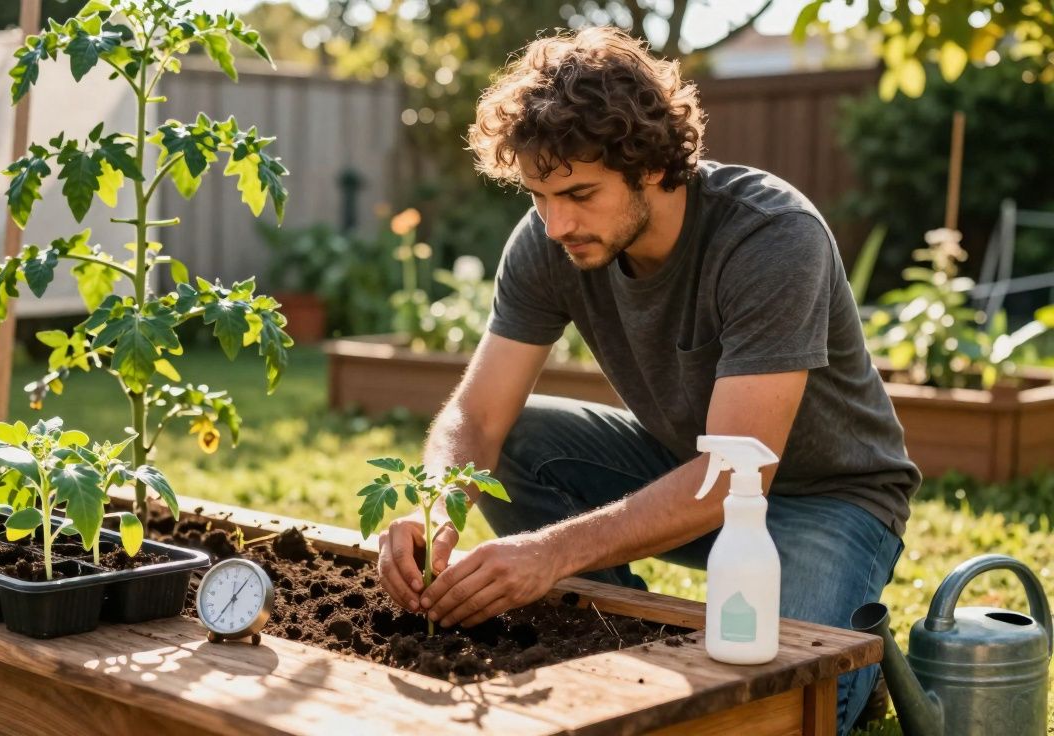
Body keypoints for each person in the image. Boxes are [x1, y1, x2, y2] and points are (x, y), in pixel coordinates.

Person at [373, 26, 918, 736]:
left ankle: (859, 659)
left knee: (776, 710)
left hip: (827, 497)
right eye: (538, 195)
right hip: (686, 462)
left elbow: (735, 474)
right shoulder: (549, 240)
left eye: (579, 193)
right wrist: (435, 505)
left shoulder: (771, 236)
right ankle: (611, 635)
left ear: (654, 165)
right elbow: (476, 417)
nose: (556, 222)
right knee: (519, 440)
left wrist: (549, 552)